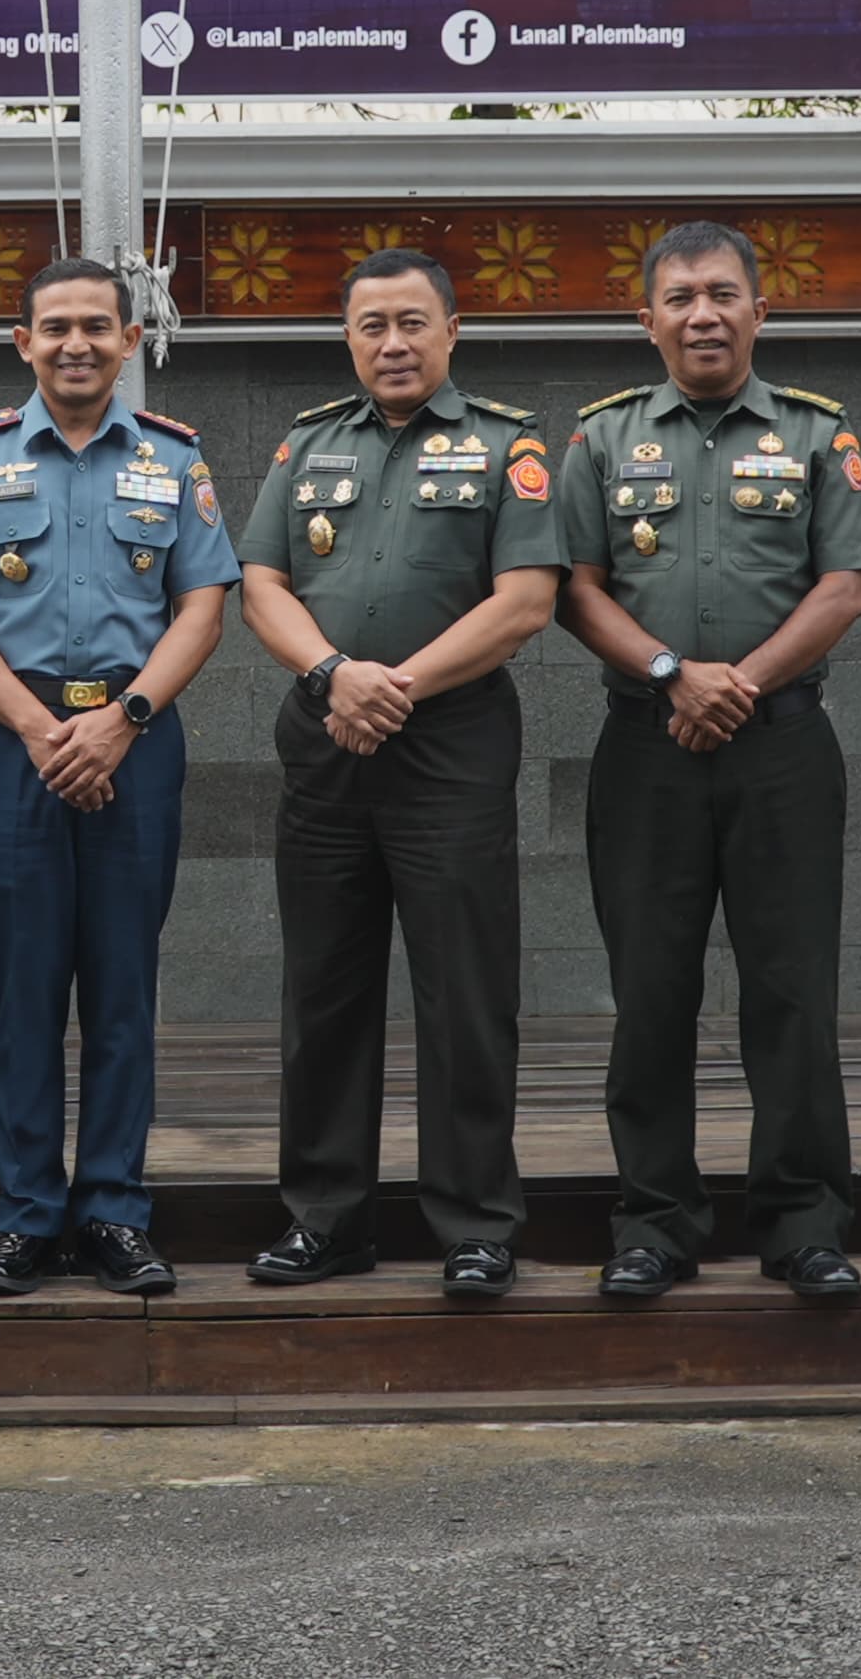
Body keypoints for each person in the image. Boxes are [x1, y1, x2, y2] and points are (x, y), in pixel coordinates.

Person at [554, 221, 861, 1304]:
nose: (701, 313)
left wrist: (731, 684)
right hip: (643, 746)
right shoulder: (599, 440)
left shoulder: (814, 434)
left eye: (722, 294)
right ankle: (653, 1221)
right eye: (680, 296)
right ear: (643, 317)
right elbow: (573, 585)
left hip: (782, 745)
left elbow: (845, 584)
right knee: (649, 991)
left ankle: (802, 1222)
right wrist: (670, 674)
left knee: (790, 990)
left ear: (760, 309)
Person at [232, 249, 562, 1298]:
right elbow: (260, 580)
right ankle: (324, 1219)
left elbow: (523, 601)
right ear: (347, 337)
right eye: (370, 324)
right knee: (323, 989)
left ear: (451, 330)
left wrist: (396, 686)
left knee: (464, 992)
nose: (392, 343)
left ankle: (473, 1224)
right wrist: (335, 674)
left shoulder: (507, 445)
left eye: (412, 322)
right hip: (326, 738)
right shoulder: (306, 443)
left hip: (448, 747)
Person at [0, 257, 238, 1299]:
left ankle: (112, 1212)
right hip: (17, 740)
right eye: (54, 327)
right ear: (23, 342)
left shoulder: (175, 462)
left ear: (130, 340)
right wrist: (42, 729)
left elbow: (201, 608)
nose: (76, 343)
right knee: (22, 989)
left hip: (136, 741)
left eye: (97, 325)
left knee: (122, 989)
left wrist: (122, 721)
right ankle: (22, 1216)